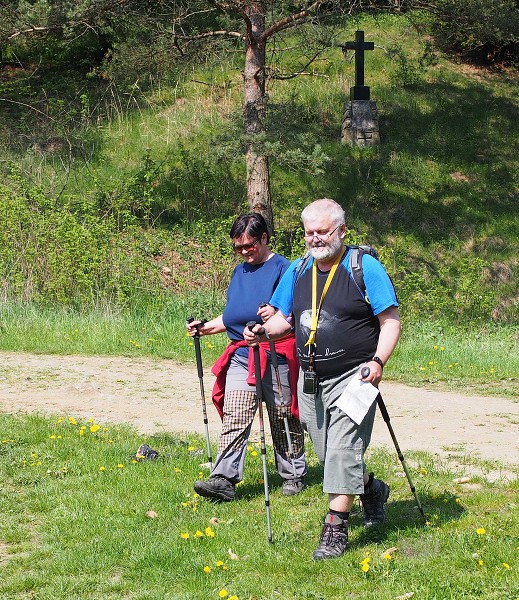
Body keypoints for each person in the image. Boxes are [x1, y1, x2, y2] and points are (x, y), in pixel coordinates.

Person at [244, 198, 400, 560]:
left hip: (356, 375)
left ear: (341, 231)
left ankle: (335, 527)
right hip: (311, 376)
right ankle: (372, 490)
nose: (315, 239)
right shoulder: (297, 272)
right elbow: (284, 319)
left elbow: (390, 321)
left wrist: (377, 361)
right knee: (329, 454)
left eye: (323, 232)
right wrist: (262, 332)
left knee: (343, 449)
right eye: (309, 233)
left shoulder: (365, 267)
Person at [187, 213, 307, 502]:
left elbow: (292, 315)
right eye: (238, 247)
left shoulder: (284, 269)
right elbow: (232, 317)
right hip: (242, 354)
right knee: (236, 415)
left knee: (281, 416)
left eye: (249, 246)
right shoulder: (240, 272)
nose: (243, 252)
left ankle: (293, 474)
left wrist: (273, 318)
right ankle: (223, 479)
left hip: (275, 353)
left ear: (264, 238)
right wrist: (205, 328)